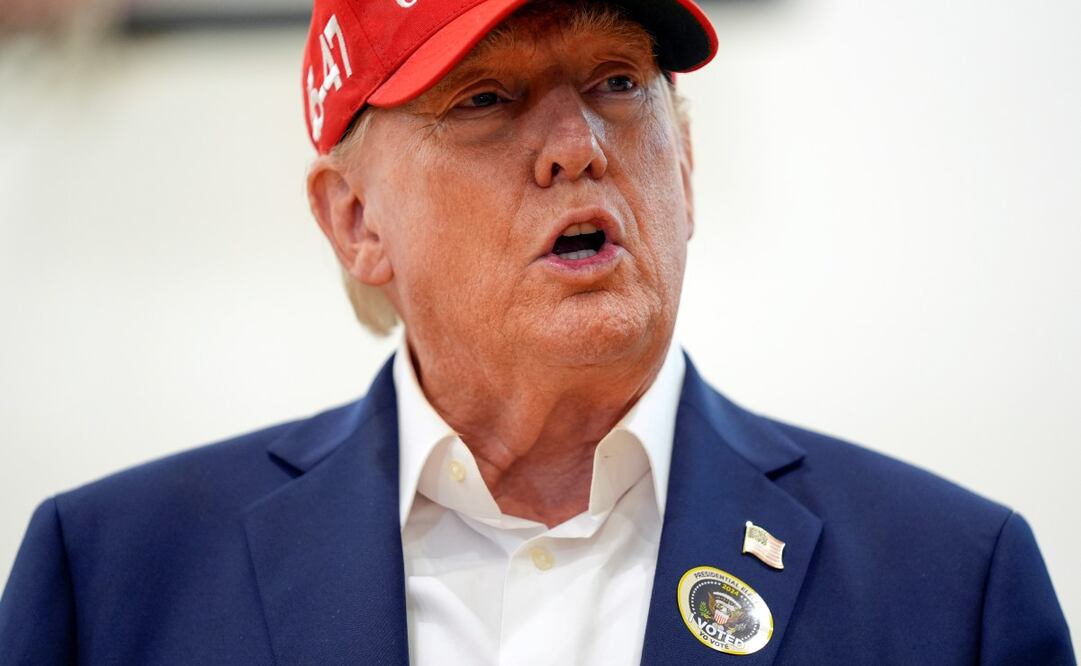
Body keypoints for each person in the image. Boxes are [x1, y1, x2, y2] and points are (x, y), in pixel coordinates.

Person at [0, 0, 1074, 663]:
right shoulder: (111, 583)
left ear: (686, 170)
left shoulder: (951, 588)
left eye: (617, 82)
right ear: (357, 222)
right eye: (485, 97)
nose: (574, 146)